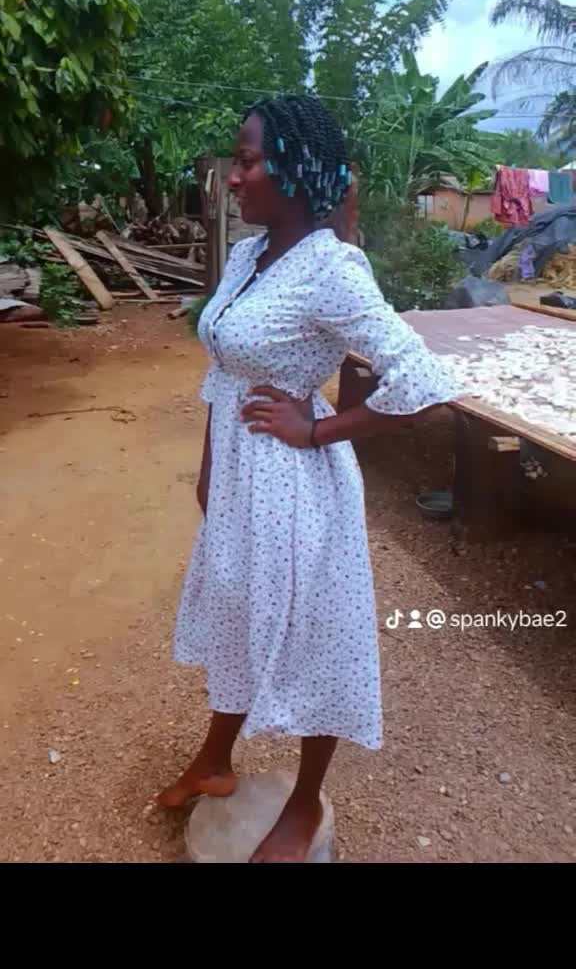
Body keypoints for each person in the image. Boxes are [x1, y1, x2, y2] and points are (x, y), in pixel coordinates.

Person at [157, 95, 457, 861]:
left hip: (295, 488)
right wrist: (209, 466)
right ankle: (216, 759)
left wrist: (319, 427)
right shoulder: (248, 256)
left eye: (247, 161)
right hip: (237, 477)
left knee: (314, 636)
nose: (233, 177)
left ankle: (304, 802)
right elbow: (227, 369)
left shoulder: (332, 269)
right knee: (235, 612)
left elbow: (423, 383)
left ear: (295, 170)